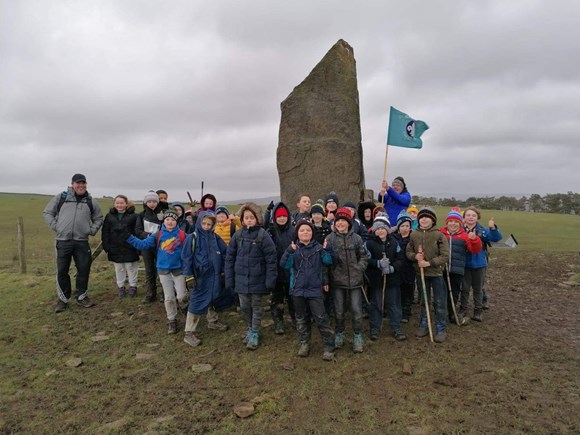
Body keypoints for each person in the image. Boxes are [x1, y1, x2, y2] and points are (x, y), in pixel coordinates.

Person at [43, 173, 104, 313]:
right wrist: (56, 227)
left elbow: (99, 218)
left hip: (81, 241)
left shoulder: (90, 201)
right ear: (72, 184)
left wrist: (91, 230)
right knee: (62, 270)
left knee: (84, 269)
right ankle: (63, 299)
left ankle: (82, 296)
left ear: (86, 184)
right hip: (62, 241)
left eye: (83, 183)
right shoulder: (61, 198)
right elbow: (47, 213)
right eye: (78, 183)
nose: (81, 186)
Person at [225, 203, 277, 350]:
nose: (249, 220)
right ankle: (250, 327)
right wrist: (230, 279)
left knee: (256, 306)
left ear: (257, 219)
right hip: (240, 280)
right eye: (246, 218)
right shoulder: (238, 235)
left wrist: (270, 280)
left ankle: (255, 332)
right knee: (244, 306)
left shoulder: (263, 235)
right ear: (241, 220)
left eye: (251, 217)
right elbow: (230, 258)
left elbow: (271, 259)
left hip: (258, 279)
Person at [281, 219, 335, 361]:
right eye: (302, 230)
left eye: (308, 230)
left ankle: (329, 346)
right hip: (298, 290)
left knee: (321, 318)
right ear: (297, 233)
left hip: (315, 290)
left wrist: (327, 249)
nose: (305, 232)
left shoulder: (318, 248)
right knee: (301, 319)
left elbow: (329, 261)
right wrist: (289, 252)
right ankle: (304, 344)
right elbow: (285, 265)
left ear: (312, 233)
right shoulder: (293, 249)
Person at [127, 209, 188, 334]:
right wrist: (128, 237)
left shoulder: (182, 235)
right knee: (169, 297)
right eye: (167, 220)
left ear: (176, 221)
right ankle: (171, 320)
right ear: (164, 221)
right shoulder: (158, 235)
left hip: (179, 270)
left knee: (182, 296)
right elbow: (142, 245)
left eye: (172, 219)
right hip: (163, 271)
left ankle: (185, 308)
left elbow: (190, 250)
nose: (170, 222)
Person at [180, 211, 232, 346]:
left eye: (209, 224)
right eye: (204, 223)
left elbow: (225, 253)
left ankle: (213, 321)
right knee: (197, 302)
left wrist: (224, 270)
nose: (206, 226)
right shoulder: (192, 238)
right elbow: (186, 258)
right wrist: (189, 277)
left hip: (215, 276)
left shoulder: (215, 238)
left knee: (214, 298)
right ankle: (189, 332)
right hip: (200, 277)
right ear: (199, 223)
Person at [325, 208, 368, 353]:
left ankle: (357, 335)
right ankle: (340, 333)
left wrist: (359, 268)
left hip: (355, 281)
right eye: (338, 221)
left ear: (349, 223)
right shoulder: (330, 239)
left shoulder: (357, 238)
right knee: (339, 311)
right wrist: (328, 276)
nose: (341, 223)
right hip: (337, 281)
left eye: (344, 221)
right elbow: (326, 260)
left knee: (356, 310)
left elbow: (363, 256)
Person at [406, 207, 450, 343]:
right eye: (421, 217)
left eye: (427, 217)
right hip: (421, 275)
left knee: (439, 301)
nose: (424, 219)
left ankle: (440, 327)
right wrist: (415, 256)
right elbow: (408, 251)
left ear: (433, 220)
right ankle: (424, 324)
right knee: (424, 301)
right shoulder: (414, 235)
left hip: (436, 274)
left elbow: (445, 255)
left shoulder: (439, 235)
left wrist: (429, 263)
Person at [365, 213, 406, 341]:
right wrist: (377, 263)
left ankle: (396, 327)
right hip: (376, 280)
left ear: (387, 229)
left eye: (383, 228)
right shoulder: (369, 244)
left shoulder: (394, 242)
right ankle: (375, 328)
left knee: (393, 304)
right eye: (378, 228)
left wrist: (392, 267)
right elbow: (366, 259)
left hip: (392, 280)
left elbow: (401, 259)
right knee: (376, 304)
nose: (380, 230)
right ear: (374, 230)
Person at [440, 208, 483, 324]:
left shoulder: (464, 235)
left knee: (453, 294)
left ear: (460, 223)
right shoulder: (441, 234)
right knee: (441, 293)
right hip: (441, 269)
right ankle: (440, 315)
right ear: (447, 222)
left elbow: (475, 250)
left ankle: (452, 314)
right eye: (450, 221)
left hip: (456, 270)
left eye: (456, 222)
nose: (453, 224)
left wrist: (474, 240)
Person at [462, 206, 502, 321]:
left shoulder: (482, 231)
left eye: (473, 215)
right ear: (464, 217)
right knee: (464, 288)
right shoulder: (460, 230)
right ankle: (463, 308)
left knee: (478, 288)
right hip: (464, 264)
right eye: (468, 215)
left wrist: (492, 228)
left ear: (477, 217)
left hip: (479, 264)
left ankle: (478, 310)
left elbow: (496, 238)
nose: (470, 217)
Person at [265, 202, 296, 334]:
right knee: (277, 298)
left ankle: (296, 319)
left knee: (293, 298)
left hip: (290, 270)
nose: (282, 218)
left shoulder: (294, 231)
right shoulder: (270, 232)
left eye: (284, 216)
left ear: (288, 216)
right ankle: (278, 322)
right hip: (276, 271)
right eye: (279, 216)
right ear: (275, 217)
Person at [101, 195, 140, 297]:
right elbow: (105, 232)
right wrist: (107, 247)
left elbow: (137, 231)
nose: (119, 205)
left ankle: (133, 287)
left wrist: (137, 246)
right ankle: (121, 287)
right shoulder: (109, 216)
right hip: (115, 247)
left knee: (131, 267)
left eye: (122, 203)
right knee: (119, 269)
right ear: (114, 204)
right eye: (117, 203)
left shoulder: (134, 216)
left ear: (126, 204)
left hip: (130, 247)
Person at [135, 191, 165, 303]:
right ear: (145, 202)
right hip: (146, 245)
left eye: (154, 201)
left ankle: (163, 293)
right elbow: (138, 230)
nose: (152, 204)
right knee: (149, 270)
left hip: (159, 246)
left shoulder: (162, 214)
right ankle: (150, 294)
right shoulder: (141, 215)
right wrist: (148, 236)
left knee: (161, 269)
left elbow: (166, 228)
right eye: (149, 201)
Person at [392, 211, 416, 323]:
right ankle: (398, 310)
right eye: (402, 226)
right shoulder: (394, 238)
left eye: (407, 226)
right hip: (397, 269)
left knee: (408, 290)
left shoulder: (413, 239)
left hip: (409, 269)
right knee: (398, 291)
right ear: (398, 227)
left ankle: (406, 311)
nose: (405, 228)